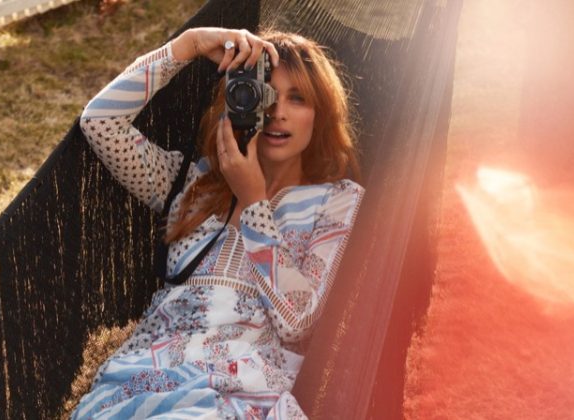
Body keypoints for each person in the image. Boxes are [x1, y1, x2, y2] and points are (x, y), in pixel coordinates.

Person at [72, 27, 364, 419]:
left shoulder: (335, 200)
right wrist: (187, 46)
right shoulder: (189, 184)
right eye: (265, 93)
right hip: (141, 383)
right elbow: (100, 124)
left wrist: (254, 201)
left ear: (321, 114)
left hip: (238, 395)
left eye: (298, 98)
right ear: (233, 101)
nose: (277, 111)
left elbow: (298, 321)